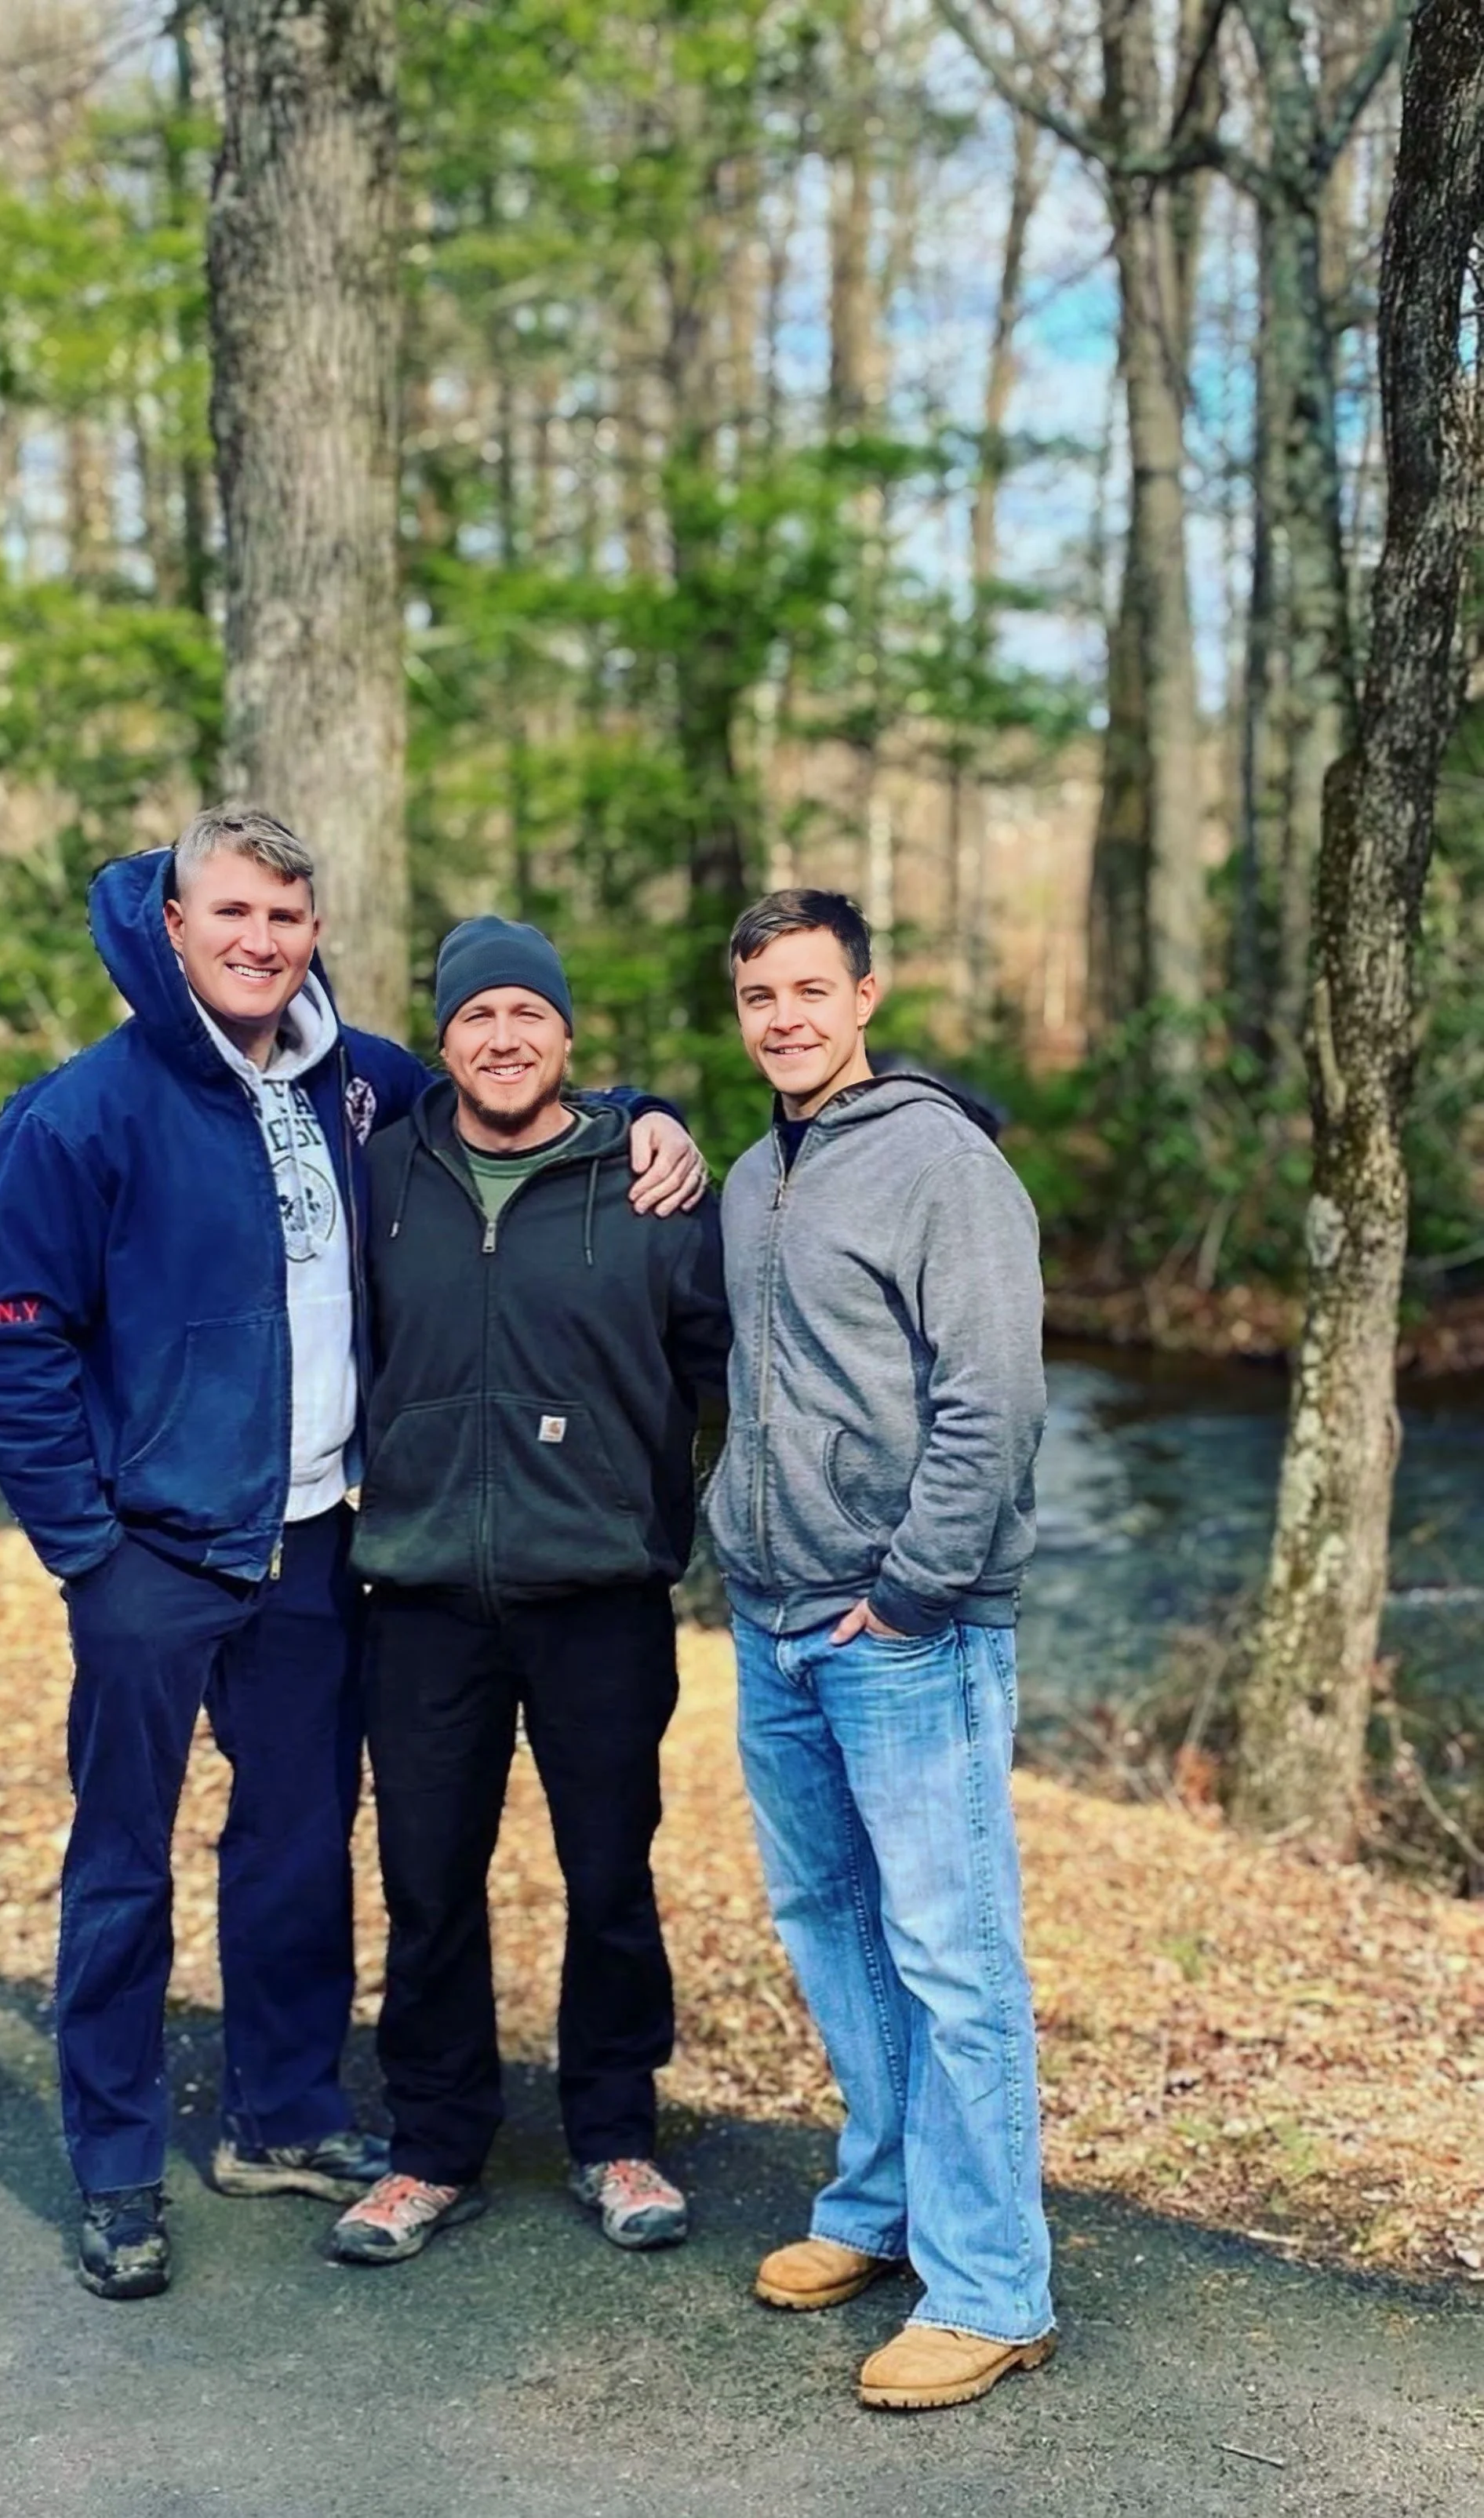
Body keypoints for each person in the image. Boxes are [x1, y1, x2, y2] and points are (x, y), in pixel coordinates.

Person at [0, 813, 703, 2302]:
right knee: (123, 1866)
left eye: (288, 915)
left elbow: (527, 1090)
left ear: (315, 928)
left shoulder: (363, 1084)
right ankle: (114, 2164)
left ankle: (281, 2117)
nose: (261, 940)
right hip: (153, 1548)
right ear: (172, 923)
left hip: (315, 1542)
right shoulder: (85, 1112)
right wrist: (89, 1539)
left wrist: (658, 1110)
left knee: (296, 1843)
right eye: (233, 912)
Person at [326, 916, 731, 2268]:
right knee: (428, 1880)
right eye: (478, 1016)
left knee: (608, 1872)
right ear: (443, 1040)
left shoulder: (654, 1184)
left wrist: (705, 1528)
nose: (505, 1037)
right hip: (423, 1590)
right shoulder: (382, 1174)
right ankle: (430, 2148)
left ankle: (614, 2132)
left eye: (530, 1015)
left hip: (601, 1592)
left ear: (568, 1036)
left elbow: (728, 1369)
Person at [704, 886, 1055, 2411]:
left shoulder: (943, 1165)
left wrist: (911, 1590)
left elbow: (995, 1401)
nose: (782, 1017)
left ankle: (991, 2290)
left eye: (806, 989)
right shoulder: (746, 1173)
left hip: (900, 1628)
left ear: (864, 995)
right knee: (828, 1926)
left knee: (949, 1955)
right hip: (769, 1615)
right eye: (756, 997)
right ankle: (883, 2200)